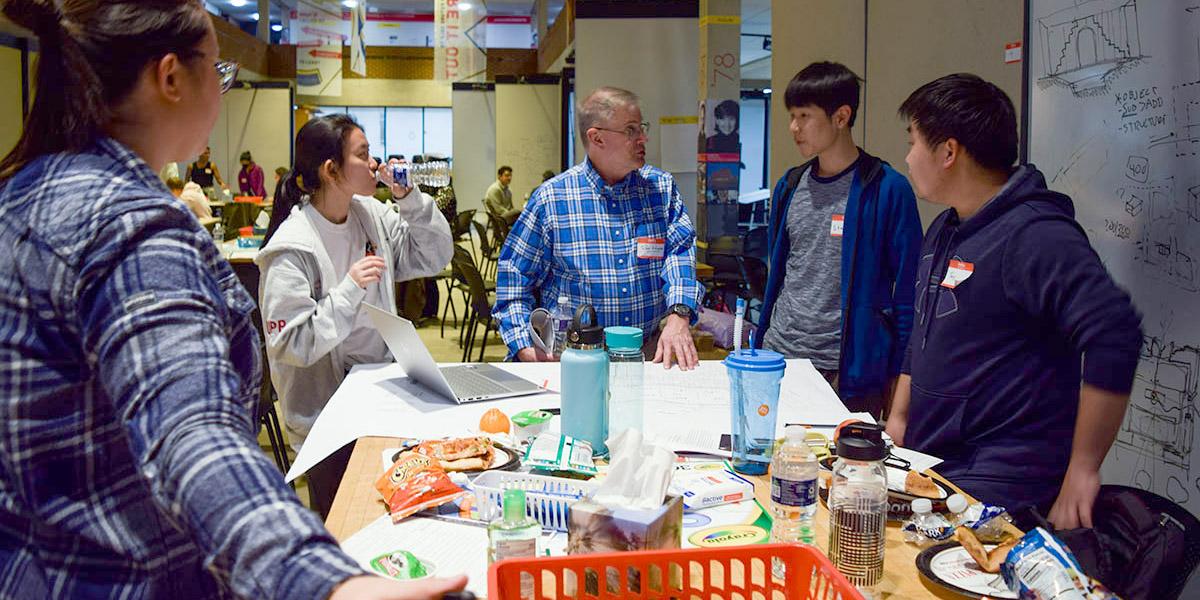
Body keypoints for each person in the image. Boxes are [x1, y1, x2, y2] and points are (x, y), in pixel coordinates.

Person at [0, 1, 465, 598]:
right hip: (122, 573)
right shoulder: (133, 227)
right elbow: (193, 437)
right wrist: (330, 584)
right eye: (220, 74)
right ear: (170, 78)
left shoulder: (26, 194)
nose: (222, 93)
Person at [886, 73, 1143, 526]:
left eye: (913, 142)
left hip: (1003, 484)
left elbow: (1114, 332)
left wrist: (1083, 468)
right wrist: (900, 419)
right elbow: (925, 330)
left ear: (948, 152)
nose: (907, 158)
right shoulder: (944, 229)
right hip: (938, 466)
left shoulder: (1035, 235)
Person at [257, 114, 453, 516]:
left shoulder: (370, 214)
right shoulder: (292, 248)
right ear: (331, 170)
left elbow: (434, 255)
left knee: (390, 516)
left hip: (381, 393)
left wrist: (410, 199)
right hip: (327, 417)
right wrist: (348, 290)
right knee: (343, 521)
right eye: (363, 155)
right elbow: (291, 343)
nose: (376, 165)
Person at [495, 86, 703, 369]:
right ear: (597, 138)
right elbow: (514, 282)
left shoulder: (661, 190)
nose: (643, 137)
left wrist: (680, 315)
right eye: (630, 130)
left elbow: (679, 255)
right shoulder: (552, 200)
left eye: (641, 127)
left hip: (647, 358)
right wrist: (525, 348)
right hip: (574, 363)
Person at [757, 62, 922, 417]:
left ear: (841, 117)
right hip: (779, 357)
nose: (793, 127)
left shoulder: (887, 189)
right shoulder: (790, 184)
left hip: (846, 372)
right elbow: (781, 274)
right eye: (791, 116)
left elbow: (908, 294)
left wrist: (898, 381)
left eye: (804, 115)